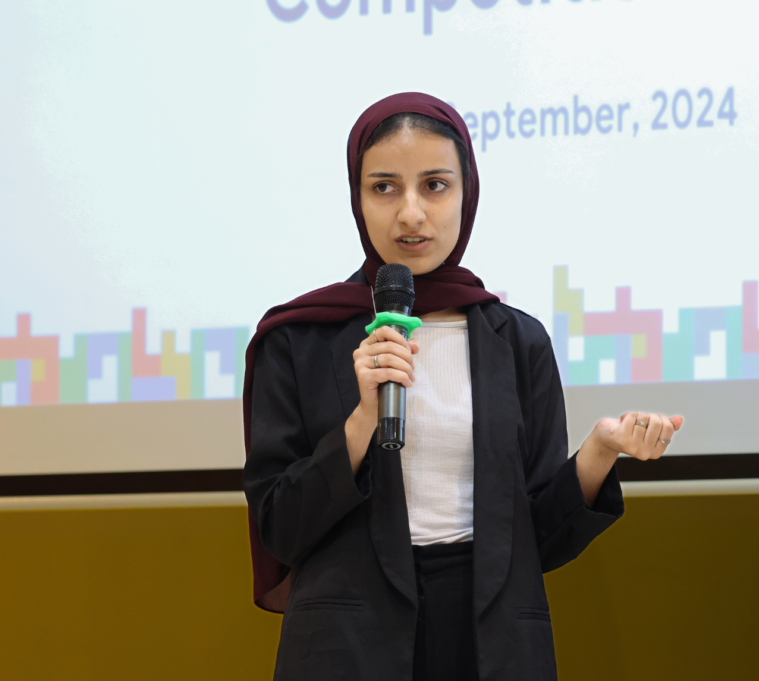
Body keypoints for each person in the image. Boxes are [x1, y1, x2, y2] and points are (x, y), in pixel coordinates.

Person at [242, 92, 684, 681]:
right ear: (357, 197)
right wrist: (359, 425)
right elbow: (278, 527)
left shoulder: (518, 341)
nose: (411, 213)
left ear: (466, 193)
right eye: (384, 187)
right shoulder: (297, 339)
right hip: (348, 642)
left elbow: (541, 542)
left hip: (490, 638)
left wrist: (601, 451)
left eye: (434, 185)